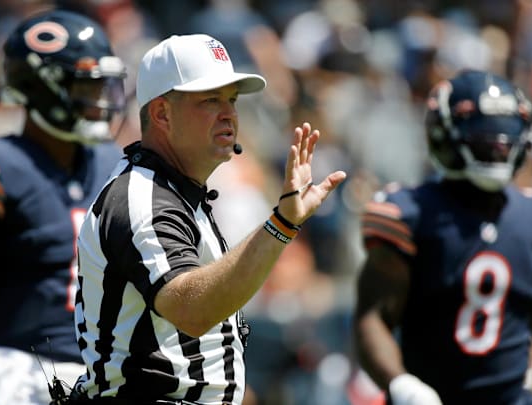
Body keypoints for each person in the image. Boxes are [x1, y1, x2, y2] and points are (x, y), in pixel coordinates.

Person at [69, 33, 346, 404]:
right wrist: (280, 224)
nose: (229, 113)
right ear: (162, 113)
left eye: (231, 100)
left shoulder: (178, 193)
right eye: (210, 99)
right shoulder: (139, 196)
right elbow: (191, 308)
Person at [352, 69, 532, 405]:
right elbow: (372, 319)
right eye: (483, 136)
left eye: (502, 137)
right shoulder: (409, 214)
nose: (495, 144)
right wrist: (401, 384)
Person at [0, 10, 128, 405]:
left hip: (107, 368)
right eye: (87, 88)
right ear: (43, 88)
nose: (101, 101)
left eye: (103, 87)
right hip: (19, 370)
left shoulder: (115, 164)